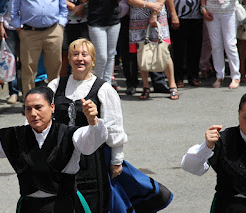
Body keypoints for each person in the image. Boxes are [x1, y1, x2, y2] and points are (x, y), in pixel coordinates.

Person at [48, 38, 173, 212]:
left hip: (95, 161)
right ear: (68, 59)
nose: (80, 58)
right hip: (62, 158)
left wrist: (116, 160)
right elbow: (41, 119)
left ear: (92, 60)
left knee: (96, 203)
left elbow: (115, 128)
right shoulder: (55, 86)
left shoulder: (103, 89)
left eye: (85, 54)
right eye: (75, 54)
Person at [0, 86, 108, 212]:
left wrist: (93, 120)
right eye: (28, 109)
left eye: (38, 107)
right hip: (29, 208)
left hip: (65, 207)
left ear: (52, 107)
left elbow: (91, 142)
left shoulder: (69, 134)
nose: (33, 113)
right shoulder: (16, 136)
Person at [181, 93, 246, 212]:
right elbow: (190, 166)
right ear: (238, 114)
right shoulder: (224, 139)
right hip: (229, 206)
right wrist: (207, 146)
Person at [10, 0, 67, 98]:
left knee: (54, 67)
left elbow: (63, 8)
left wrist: (61, 24)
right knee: (28, 69)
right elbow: (13, 10)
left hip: (53, 31)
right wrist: (19, 29)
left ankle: (53, 100)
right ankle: (29, 103)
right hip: (29, 32)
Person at [128, 0, 179, 100]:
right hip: (138, 16)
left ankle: (172, 85)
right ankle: (145, 86)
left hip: (158, 14)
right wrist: (149, 5)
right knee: (141, 51)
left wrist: (155, 13)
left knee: (164, 50)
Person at [201, 0, 240, 88]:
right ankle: (219, 76)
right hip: (211, 11)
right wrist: (203, 8)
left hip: (228, 11)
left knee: (230, 44)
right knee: (215, 45)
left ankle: (235, 76)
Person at [169, 0, 203, 88]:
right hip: (179, 16)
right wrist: (173, 14)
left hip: (197, 16)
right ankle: (178, 78)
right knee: (178, 49)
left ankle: (193, 76)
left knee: (195, 48)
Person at [87, 0, 121, 86]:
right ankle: (96, 84)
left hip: (113, 20)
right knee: (101, 57)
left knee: (111, 55)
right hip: (95, 21)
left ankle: (107, 84)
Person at [0, 0, 20, 104]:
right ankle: (13, 92)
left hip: (27, 28)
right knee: (11, 61)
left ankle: (27, 92)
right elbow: (1, 8)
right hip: (9, 28)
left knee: (28, 61)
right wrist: (1, 26)